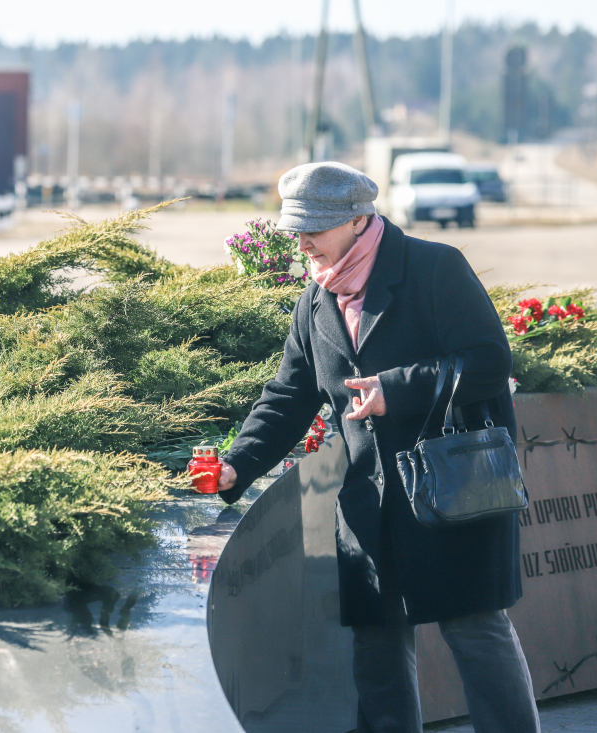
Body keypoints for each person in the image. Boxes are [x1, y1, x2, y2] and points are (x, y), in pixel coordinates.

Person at [216, 162, 540, 733]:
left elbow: (490, 362)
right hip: (369, 505)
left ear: (358, 219)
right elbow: (288, 396)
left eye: (314, 228)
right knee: (377, 650)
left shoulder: (436, 268)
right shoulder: (314, 302)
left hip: (452, 492)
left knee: (475, 632)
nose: (302, 242)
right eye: (296, 229)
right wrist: (235, 465)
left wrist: (397, 390)